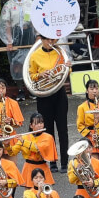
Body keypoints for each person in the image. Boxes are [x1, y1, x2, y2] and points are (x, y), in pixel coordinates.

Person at [27, 36, 71, 171]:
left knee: (63, 129)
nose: (51, 42)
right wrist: (41, 75)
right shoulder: (35, 55)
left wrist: (68, 67)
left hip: (59, 93)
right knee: (48, 130)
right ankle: (52, 161)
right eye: (47, 40)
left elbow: (67, 72)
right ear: (42, 40)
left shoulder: (60, 52)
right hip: (44, 94)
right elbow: (31, 76)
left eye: (53, 40)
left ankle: (64, 162)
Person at [0, 0, 35, 100]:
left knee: (30, 63)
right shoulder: (8, 5)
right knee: (17, 65)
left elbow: (36, 20)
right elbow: (6, 24)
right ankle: (20, 90)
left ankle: (32, 88)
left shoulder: (30, 2)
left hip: (29, 35)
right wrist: (9, 41)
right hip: (15, 36)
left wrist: (37, 36)